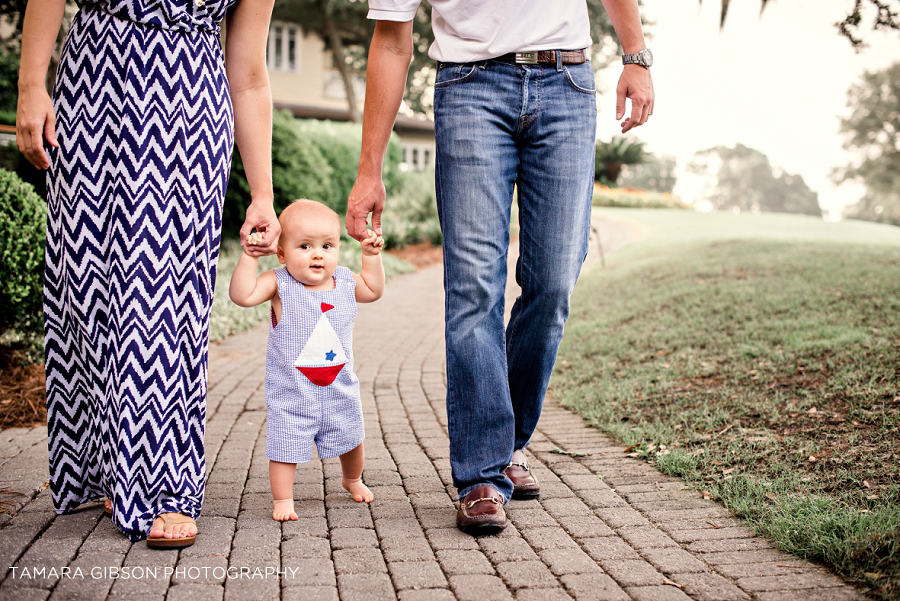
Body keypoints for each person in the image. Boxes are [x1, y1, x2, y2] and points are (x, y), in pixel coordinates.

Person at [347, 0, 654, 533]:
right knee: (473, 290)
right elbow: (393, 41)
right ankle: (482, 475)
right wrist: (369, 168)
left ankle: (509, 440)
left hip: (568, 82)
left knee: (554, 282)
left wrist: (637, 56)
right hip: (469, 88)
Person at [17, 0, 281, 546]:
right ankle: (104, 462)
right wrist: (30, 85)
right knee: (85, 281)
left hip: (188, 109)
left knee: (162, 294)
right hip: (93, 87)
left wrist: (262, 193)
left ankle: (162, 487)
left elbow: (250, 74)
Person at [229, 199, 385, 521]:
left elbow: (372, 290)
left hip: (339, 389)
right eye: (305, 246)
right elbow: (242, 296)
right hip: (292, 395)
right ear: (282, 253)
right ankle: (283, 499)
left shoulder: (344, 281)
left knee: (352, 438)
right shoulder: (279, 283)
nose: (318, 254)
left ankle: (352, 478)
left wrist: (371, 257)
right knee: (284, 448)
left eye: (327, 246)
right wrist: (249, 257)